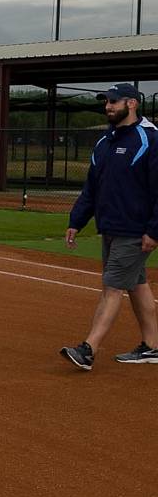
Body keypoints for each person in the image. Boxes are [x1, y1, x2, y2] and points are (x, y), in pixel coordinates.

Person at [61, 82, 158, 369]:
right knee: (138, 286)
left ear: (132, 104)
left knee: (112, 287)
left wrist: (154, 230)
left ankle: (88, 349)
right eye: (106, 102)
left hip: (135, 230)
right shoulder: (106, 142)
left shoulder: (149, 140)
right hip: (111, 228)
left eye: (114, 102)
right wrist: (76, 221)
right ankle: (153, 346)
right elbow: (92, 188)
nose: (108, 107)